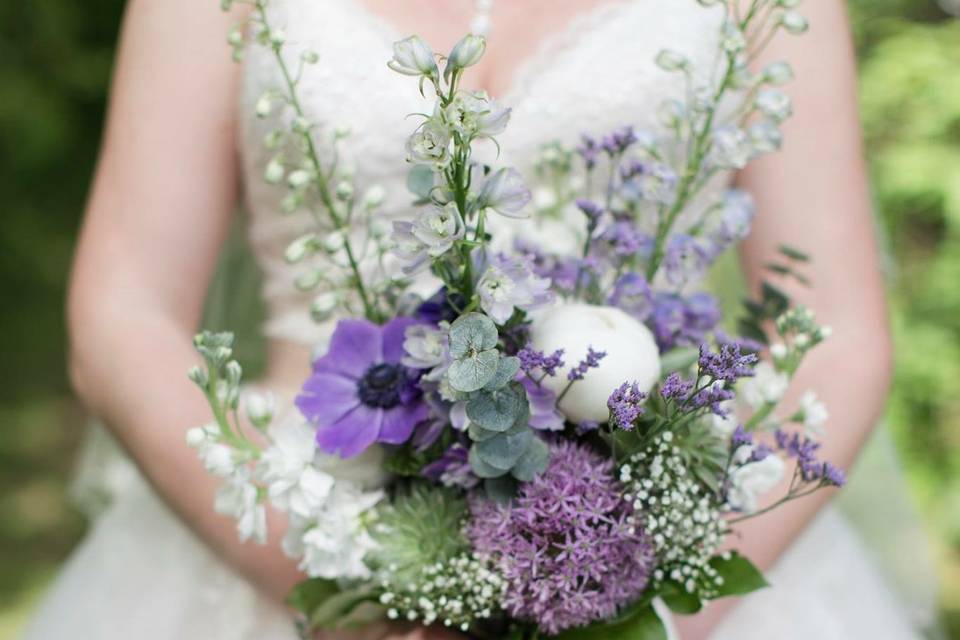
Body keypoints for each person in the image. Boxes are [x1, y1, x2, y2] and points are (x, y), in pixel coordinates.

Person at [23, 0, 920, 638]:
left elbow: (833, 329)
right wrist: (350, 600)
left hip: (671, 538)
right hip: (290, 520)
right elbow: (122, 311)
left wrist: (650, 605)